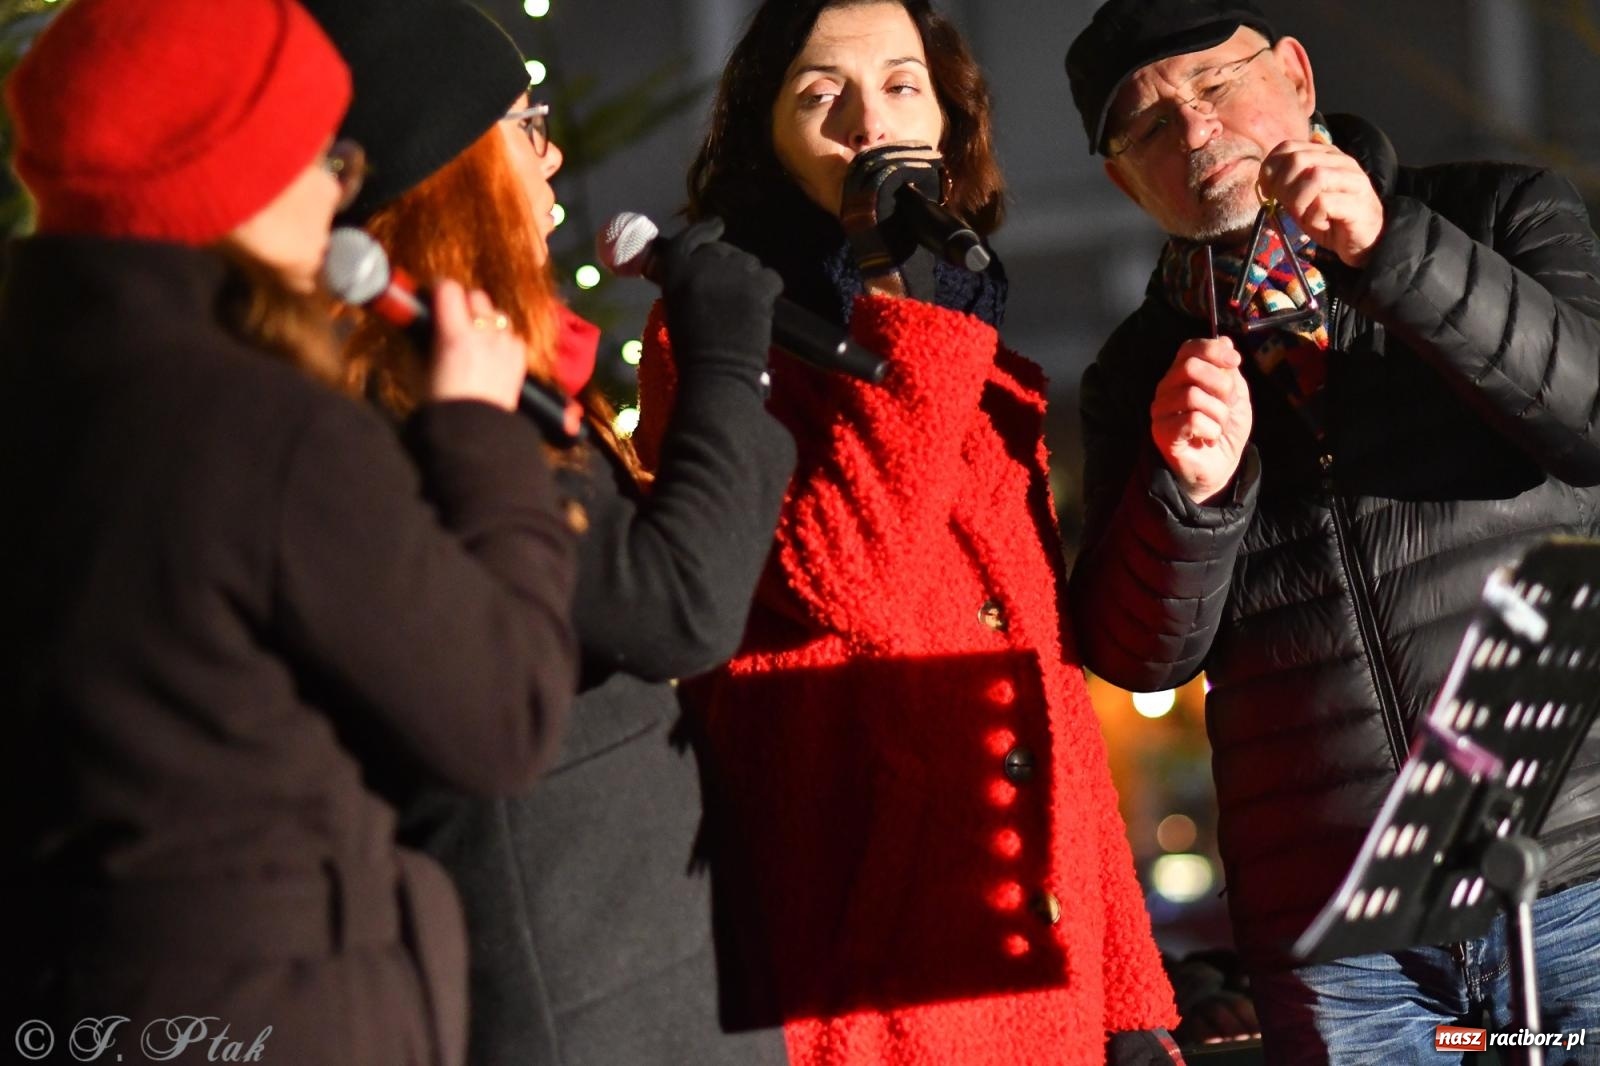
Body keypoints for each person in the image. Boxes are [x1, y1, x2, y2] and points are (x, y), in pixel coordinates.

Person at [0, 1, 578, 1063]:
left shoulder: (41, 389)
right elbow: (505, 714)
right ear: (237, 173)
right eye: (326, 156)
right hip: (275, 1008)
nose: (339, 195)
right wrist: (481, 441)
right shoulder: (260, 428)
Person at [636, 2, 1180, 1063]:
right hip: (878, 976)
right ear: (765, 134)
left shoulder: (975, 363)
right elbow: (851, 582)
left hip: (1037, 969)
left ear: (945, 122)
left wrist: (1130, 997)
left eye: (899, 84)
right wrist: (921, 323)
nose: (865, 121)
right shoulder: (711, 330)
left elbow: (1052, 692)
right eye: (818, 93)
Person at [1064, 1, 1600, 1062]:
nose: (1196, 133)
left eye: (1216, 86)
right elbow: (1133, 651)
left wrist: (1389, 249)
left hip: (1572, 865)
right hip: (1343, 940)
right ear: (1127, 182)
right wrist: (1192, 495)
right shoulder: (1140, 371)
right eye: (1149, 127)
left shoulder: (1495, 215)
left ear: (1297, 78)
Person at [296, 2, 797, 1063]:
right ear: (451, 164)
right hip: (580, 991)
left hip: (627, 966)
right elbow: (677, 607)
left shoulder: (462, 381)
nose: (555, 151)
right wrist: (724, 363)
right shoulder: (423, 405)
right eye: (526, 122)